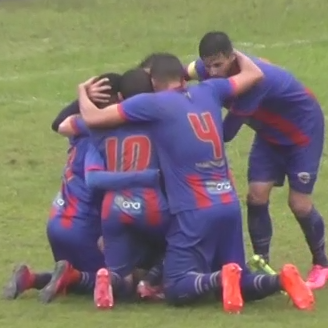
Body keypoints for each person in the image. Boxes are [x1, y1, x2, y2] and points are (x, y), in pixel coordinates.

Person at [78, 53, 314, 313]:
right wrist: (234, 54)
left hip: (194, 209)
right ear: (182, 77)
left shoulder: (152, 103)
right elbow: (254, 73)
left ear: (154, 83)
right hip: (227, 203)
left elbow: (92, 119)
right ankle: (281, 279)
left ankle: (220, 278)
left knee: (176, 286)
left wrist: (82, 91)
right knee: (241, 276)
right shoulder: (210, 89)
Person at [186, 32, 328, 290]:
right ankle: (260, 262)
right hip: (269, 134)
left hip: (302, 134)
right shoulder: (208, 68)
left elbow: (226, 133)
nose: (212, 72)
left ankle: (322, 264)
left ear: (231, 57)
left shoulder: (254, 82)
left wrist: (182, 132)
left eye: (218, 65)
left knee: (299, 203)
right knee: (255, 196)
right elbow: (178, 74)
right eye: (208, 66)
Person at [2, 74, 125, 303]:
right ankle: (69, 275)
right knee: (118, 283)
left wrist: (82, 95)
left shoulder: (78, 126)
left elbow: (58, 123)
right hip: (83, 227)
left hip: (57, 221)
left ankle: (31, 278)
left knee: (79, 274)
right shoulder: (111, 135)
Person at [83, 68, 170, 308]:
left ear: (120, 98)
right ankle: (151, 281)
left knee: (123, 279)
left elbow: (92, 178)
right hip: (151, 205)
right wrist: (147, 176)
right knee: (185, 236)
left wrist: (82, 93)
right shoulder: (161, 124)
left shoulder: (99, 128)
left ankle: (109, 279)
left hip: (114, 209)